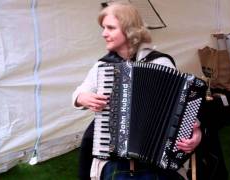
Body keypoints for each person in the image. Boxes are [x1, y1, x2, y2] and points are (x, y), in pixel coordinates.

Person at [72, 2, 202, 180]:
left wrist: (196, 133)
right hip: (114, 156)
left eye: (110, 28)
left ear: (129, 30)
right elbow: (80, 92)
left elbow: (181, 109)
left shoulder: (159, 63)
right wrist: (82, 97)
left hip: (157, 159)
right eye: (103, 28)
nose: (104, 34)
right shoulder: (103, 67)